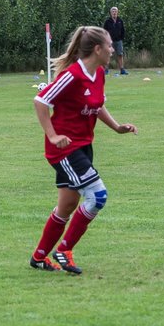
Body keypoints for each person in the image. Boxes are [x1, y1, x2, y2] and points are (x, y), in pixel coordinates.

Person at [30, 26, 136, 274]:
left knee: (67, 206)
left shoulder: (99, 73)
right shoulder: (72, 75)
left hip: (83, 146)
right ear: (97, 49)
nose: (112, 49)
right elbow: (40, 101)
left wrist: (117, 127)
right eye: (109, 45)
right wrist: (53, 135)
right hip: (65, 150)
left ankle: (39, 257)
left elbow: (97, 106)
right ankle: (64, 249)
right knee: (98, 196)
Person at [102, 6, 129, 75]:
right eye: (113, 11)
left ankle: (122, 70)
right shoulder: (107, 21)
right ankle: (106, 70)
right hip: (109, 41)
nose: (114, 13)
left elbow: (123, 30)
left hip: (118, 41)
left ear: (117, 12)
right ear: (110, 13)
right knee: (108, 55)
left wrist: (121, 38)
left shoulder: (120, 21)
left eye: (115, 11)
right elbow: (104, 31)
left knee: (120, 54)